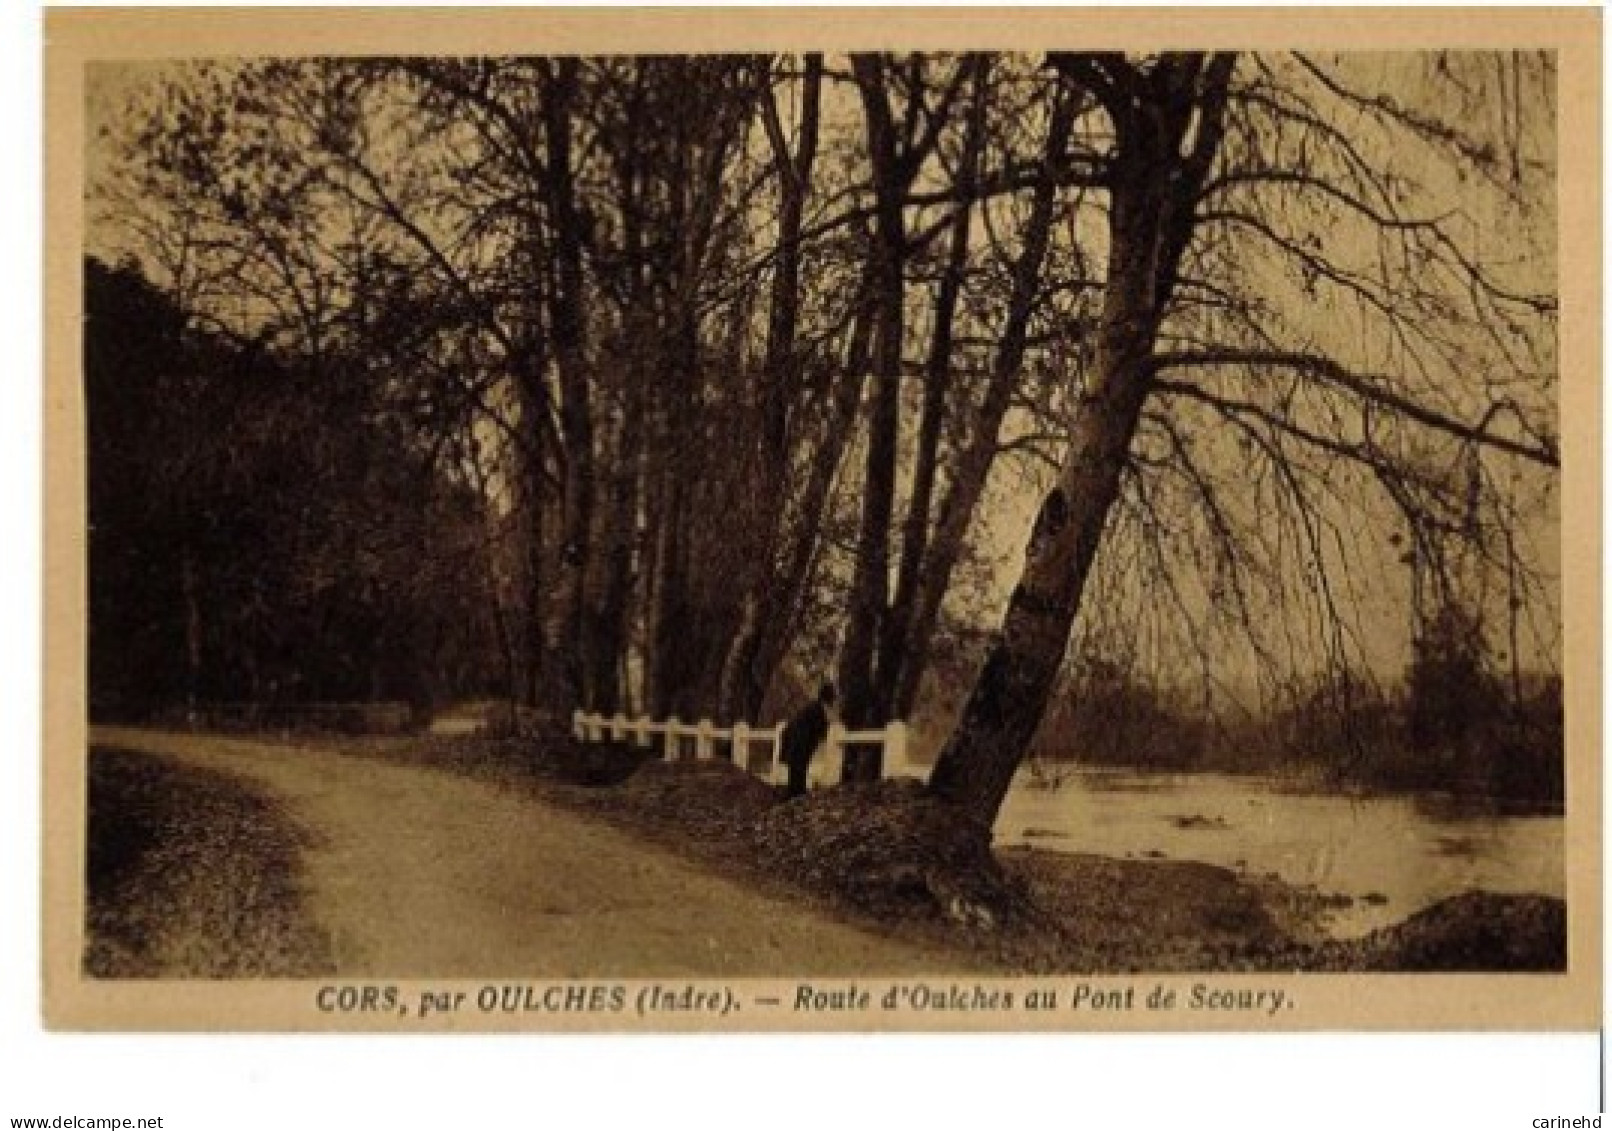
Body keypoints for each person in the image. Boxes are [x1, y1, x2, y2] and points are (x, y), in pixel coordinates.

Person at [780, 682, 835, 799]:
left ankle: (795, 793)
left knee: (797, 769)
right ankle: (795, 794)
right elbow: (820, 728)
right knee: (798, 769)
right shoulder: (817, 709)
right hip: (799, 742)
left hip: (796, 741)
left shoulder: (813, 707)